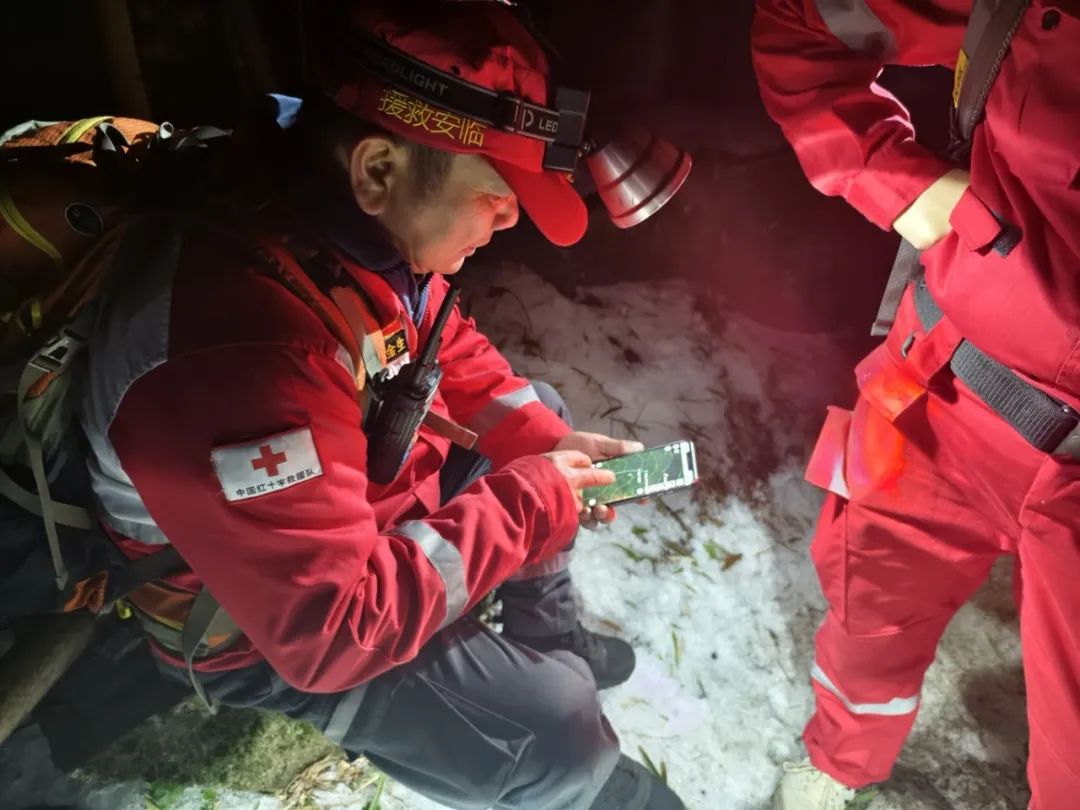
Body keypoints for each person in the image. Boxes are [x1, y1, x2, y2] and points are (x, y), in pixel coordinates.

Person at [76, 2, 686, 808]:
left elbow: (438, 340)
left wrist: (544, 448)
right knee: (561, 730)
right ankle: (578, 780)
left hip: (339, 495)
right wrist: (533, 502)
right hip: (259, 623)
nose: (511, 217)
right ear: (377, 169)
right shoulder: (243, 359)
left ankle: (547, 637)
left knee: (537, 416)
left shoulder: (320, 211)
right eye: (496, 193)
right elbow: (332, 632)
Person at [752, 0, 1080, 807]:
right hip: (943, 395)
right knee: (866, 616)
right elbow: (800, 24)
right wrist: (902, 181)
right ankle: (839, 759)